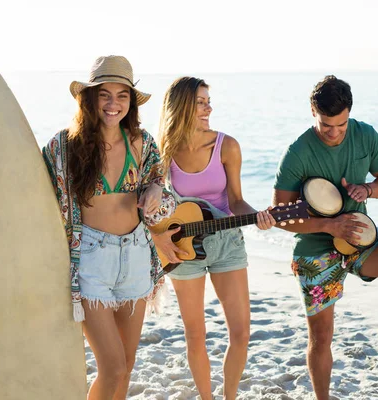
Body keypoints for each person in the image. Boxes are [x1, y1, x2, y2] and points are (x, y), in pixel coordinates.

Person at [273, 75, 378, 400]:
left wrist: (370, 189)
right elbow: (280, 216)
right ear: (313, 112)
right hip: (315, 249)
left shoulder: (365, 135)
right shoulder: (298, 152)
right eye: (326, 125)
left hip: (359, 238)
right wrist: (329, 226)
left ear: (350, 115)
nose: (334, 133)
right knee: (321, 337)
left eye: (341, 126)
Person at [42, 55, 166, 399]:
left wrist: (156, 190)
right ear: (90, 98)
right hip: (92, 262)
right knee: (111, 368)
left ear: (131, 101)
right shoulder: (64, 146)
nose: (113, 104)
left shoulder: (143, 142)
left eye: (122, 95)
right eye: (105, 95)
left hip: (137, 256)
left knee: (125, 367)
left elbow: (163, 191)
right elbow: (37, 195)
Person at [151, 76, 275, 400]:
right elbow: (151, 206)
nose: (209, 108)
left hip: (226, 243)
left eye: (209, 100)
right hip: (182, 247)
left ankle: (230, 397)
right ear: (182, 107)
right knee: (195, 334)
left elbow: (236, 201)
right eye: (201, 102)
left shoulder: (227, 146)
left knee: (241, 332)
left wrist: (258, 216)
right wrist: (158, 239)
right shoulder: (163, 151)